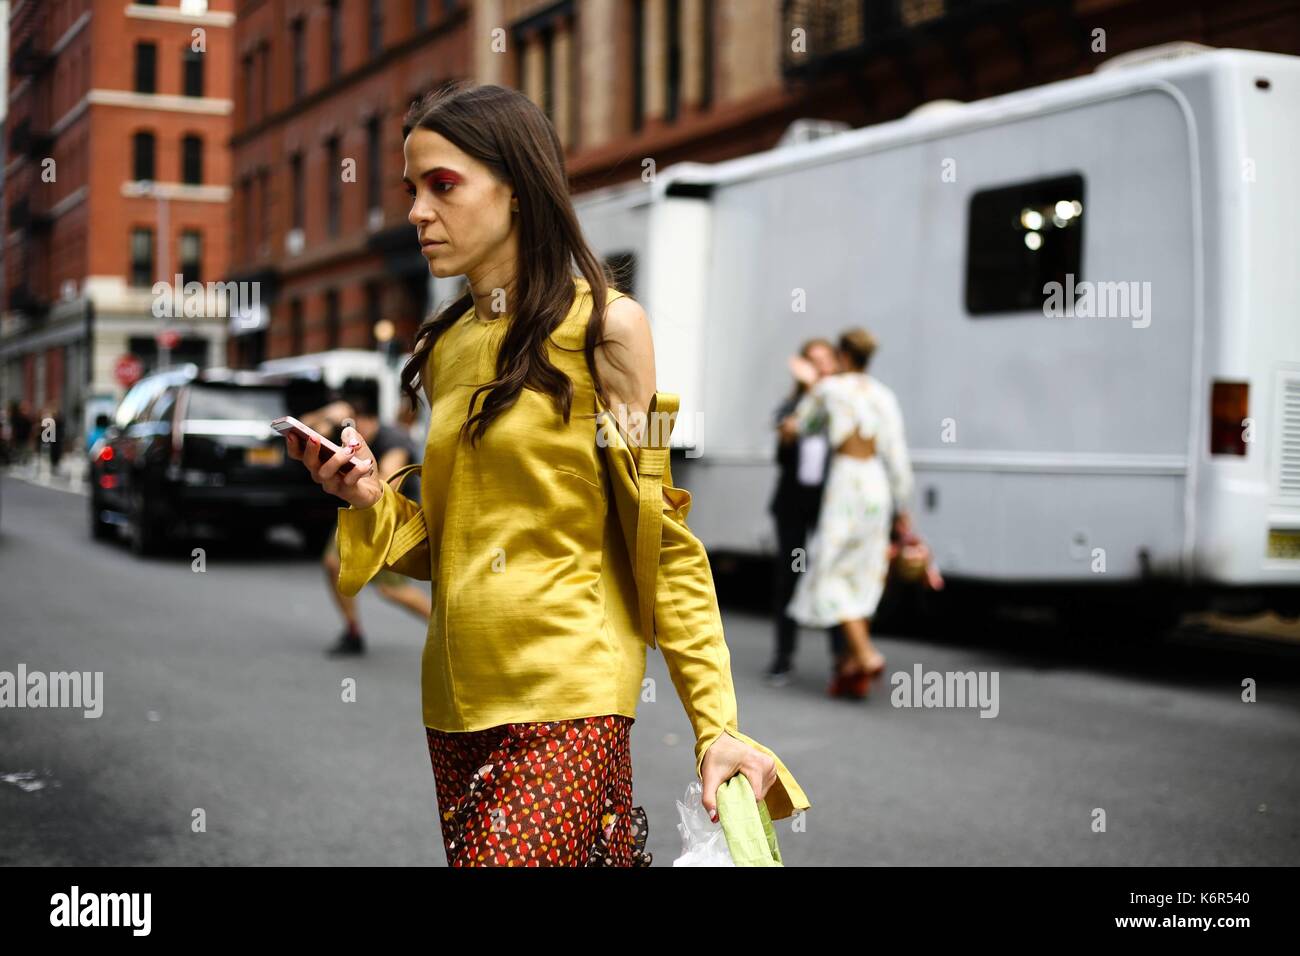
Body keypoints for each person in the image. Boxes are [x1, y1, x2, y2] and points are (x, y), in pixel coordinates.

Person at [282, 80, 809, 867]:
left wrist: (717, 725)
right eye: (412, 190)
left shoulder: (611, 330)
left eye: (443, 186)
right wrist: (365, 498)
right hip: (455, 702)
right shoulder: (445, 349)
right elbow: (451, 548)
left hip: (570, 694)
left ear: (519, 189)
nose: (418, 212)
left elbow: (661, 539)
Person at [784, 328, 916, 700]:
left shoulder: (830, 389)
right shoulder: (884, 395)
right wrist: (902, 508)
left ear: (843, 355)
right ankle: (850, 666)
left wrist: (800, 406)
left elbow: (805, 425)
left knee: (828, 571)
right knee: (864, 572)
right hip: (877, 485)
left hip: (846, 484)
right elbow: (898, 456)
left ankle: (864, 653)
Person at [300, 382, 430, 657]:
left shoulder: (393, 439)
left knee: (390, 589)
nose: (350, 435)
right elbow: (303, 428)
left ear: (369, 420)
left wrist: (361, 479)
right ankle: (353, 631)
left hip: (393, 519)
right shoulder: (347, 433)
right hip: (358, 513)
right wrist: (328, 413)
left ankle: (446, 630)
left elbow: (387, 486)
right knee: (333, 564)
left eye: (356, 426)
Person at [765, 338, 845, 686]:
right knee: (790, 577)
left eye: (825, 360)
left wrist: (819, 388)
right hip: (793, 505)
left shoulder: (840, 402)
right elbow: (784, 442)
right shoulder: (793, 406)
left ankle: (842, 659)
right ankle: (783, 658)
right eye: (813, 361)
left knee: (834, 576)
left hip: (830, 505)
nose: (820, 366)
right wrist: (808, 395)